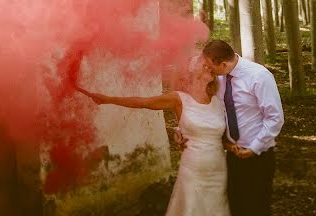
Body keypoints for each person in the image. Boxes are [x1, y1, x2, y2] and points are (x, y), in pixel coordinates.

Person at [80, 56, 229, 216]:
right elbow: (143, 102)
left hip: (218, 170)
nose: (210, 68)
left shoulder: (218, 102)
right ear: (192, 72)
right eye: (205, 65)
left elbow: (226, 135)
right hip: (194, 171)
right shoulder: (178, 99)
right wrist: (107, 99)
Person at [202, 40, 284, 216]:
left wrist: (254, 148)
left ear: (223, 64)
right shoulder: (220, 78)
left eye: (210, 67)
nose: (208, 70)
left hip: (259, 156)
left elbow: (275, 118)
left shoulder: (259, 76)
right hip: (233, 154)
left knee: (257, 207)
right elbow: (216, 111)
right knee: (236, 205)